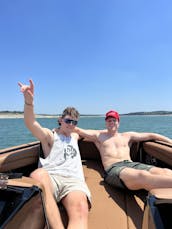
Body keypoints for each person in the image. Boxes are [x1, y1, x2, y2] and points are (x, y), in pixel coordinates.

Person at [18, 79, 91, 229]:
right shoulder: (50, 136)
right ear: (60, 120)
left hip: (73, 180)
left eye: (74, 122)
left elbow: (97, 135)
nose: (71, 124)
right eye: (68, 121)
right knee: (38, 175)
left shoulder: (76, 136)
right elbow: (31, 123)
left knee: (81, 208)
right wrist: (29, 103)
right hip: (52, 178)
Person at [74, 110, 172, 192]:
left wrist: (170, 142)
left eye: (114, 120)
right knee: (143, 175)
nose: (111, 122)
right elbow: (78, 130)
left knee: (164, 171)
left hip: (132, 164)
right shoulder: (98, 136)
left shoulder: (127, 136)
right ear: (105, 123)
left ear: (118, 123)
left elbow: (152, 135)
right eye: (109, 120)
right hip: (114, 168)